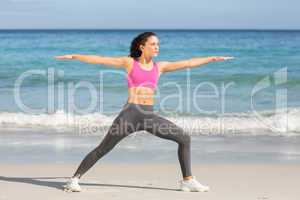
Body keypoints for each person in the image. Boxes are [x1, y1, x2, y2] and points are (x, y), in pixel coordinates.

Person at [55, 31, 234, 192]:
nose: (157, 47)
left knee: (184, 138)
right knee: (103, 149)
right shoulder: (130, 63)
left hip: (149, 116)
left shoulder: (160, 67)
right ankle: (74, 179)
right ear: (142, 46)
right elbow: (101, 59)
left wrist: (211, 58)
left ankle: (187, 180)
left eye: (158, 44)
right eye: (153, 44)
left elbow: (187, 63)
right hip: (130, 115)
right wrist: (75, 56)